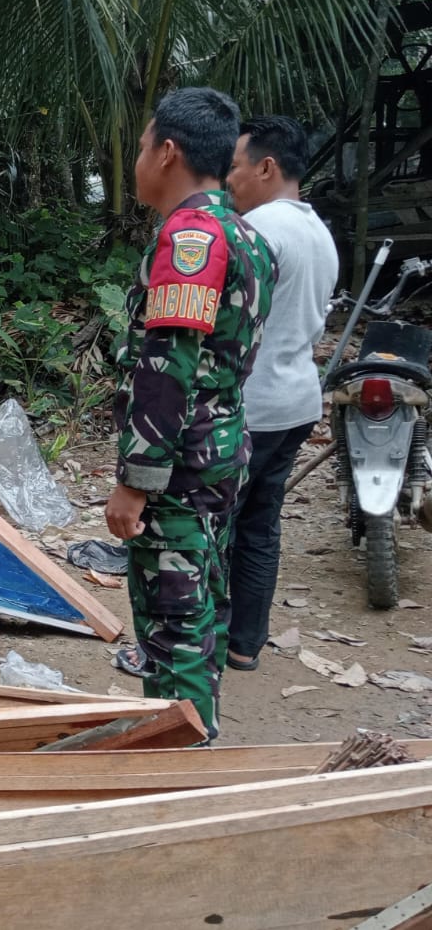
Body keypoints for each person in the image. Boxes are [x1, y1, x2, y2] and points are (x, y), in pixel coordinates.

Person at [105, 87, 275, 741]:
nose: (138, 160)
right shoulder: (245, 234)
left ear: (167, 152)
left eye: (142, 146)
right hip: (220, 453)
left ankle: (180, 765)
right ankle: (199, 741)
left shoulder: (192, 237)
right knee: (202, 614)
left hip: (179, 470)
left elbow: (168, 368)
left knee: (173, 632)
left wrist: (135, 482)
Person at [222, 116, 338, 671]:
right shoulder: (318, 231)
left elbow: (227, 326)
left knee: (210, 528)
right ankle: (245, 643)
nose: (228, 179)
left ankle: (196, 645)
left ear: (266, 167)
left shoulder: (257, 230)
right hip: (297, 401)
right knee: (260, 526)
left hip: (252, 406)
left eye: (235, 166)